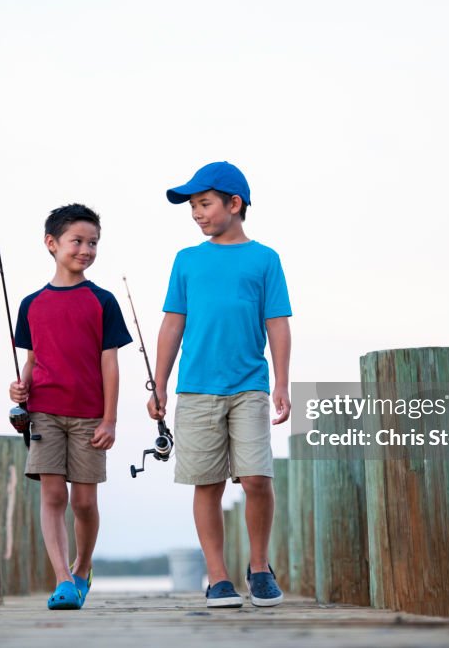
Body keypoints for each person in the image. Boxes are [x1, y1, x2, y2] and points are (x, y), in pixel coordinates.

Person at [148, 161, 292, 608]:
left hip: (250, 385)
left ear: (234, 204)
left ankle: (260, 567)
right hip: (195, 390)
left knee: (256, 479)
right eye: (192, 206)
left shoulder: (265, 259)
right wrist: (159, 383)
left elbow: (278, 324)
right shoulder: (186, 261)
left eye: (204, 204)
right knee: (206, 483)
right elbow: (173, 324)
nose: (196, 213)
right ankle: (217, 577)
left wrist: (282, 383)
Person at [8, 203, 132, 610]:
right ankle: (63, 580)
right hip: (44, 412)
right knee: (52, 497)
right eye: (77, 241)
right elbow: (32, 359)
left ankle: (83, 566)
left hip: (89, 417)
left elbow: (109, 363)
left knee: (84, 502)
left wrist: (110, 420)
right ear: (51, 243)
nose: (86, 249)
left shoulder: (102, 300)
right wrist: (20, 387)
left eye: (93, 242)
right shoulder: (30, 304)